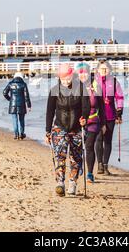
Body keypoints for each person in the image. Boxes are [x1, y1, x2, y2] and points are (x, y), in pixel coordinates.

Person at [45, 63, 90, 196]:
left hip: (76, 128)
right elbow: (49, 112)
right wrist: (48, 131)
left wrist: (84, 118)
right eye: (63, 78)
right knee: (60, 155)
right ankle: (60, 183)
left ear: (72, 75)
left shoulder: (81, 88)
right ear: (59, 77)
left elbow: (86, 107)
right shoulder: (54, 90)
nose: (66, 80)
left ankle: (73, 182)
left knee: (76, 158)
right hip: (59, 127)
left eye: (68, 77)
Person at [75, 62, 106, 184]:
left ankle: (89, 173)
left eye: (85, 72)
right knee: (77, 147)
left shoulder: (95, 86)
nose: (83, 75)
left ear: (89, 73)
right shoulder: (74, 87)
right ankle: (79, 166)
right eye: (80, 73)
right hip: (77, 121)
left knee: (89, 146)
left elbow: (101, 106)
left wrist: (103, 123)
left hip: (93, 120)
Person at [94, 60, 124, 175]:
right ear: (97, 70)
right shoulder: (94, 81)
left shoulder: (114, 81)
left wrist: (119, 111)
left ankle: (105, 165)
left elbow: (119, 97)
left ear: (110, 70)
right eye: (102, 69)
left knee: (108, 140)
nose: (104, 71)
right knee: (98, 139)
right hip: (96, 115)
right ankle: (100, 164)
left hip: (110, 114)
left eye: (106, 69)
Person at [3, 72, 32, 140]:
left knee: (14, 119)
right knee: (21, 120)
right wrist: (29, 105)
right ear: (21, 77)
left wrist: (10, 99)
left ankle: (16, 134)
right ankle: (21, 134)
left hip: (12, 105)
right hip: (21, 104)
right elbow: (26, 96)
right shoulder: (23, 84)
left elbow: (4, 93)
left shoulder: (10, 84)